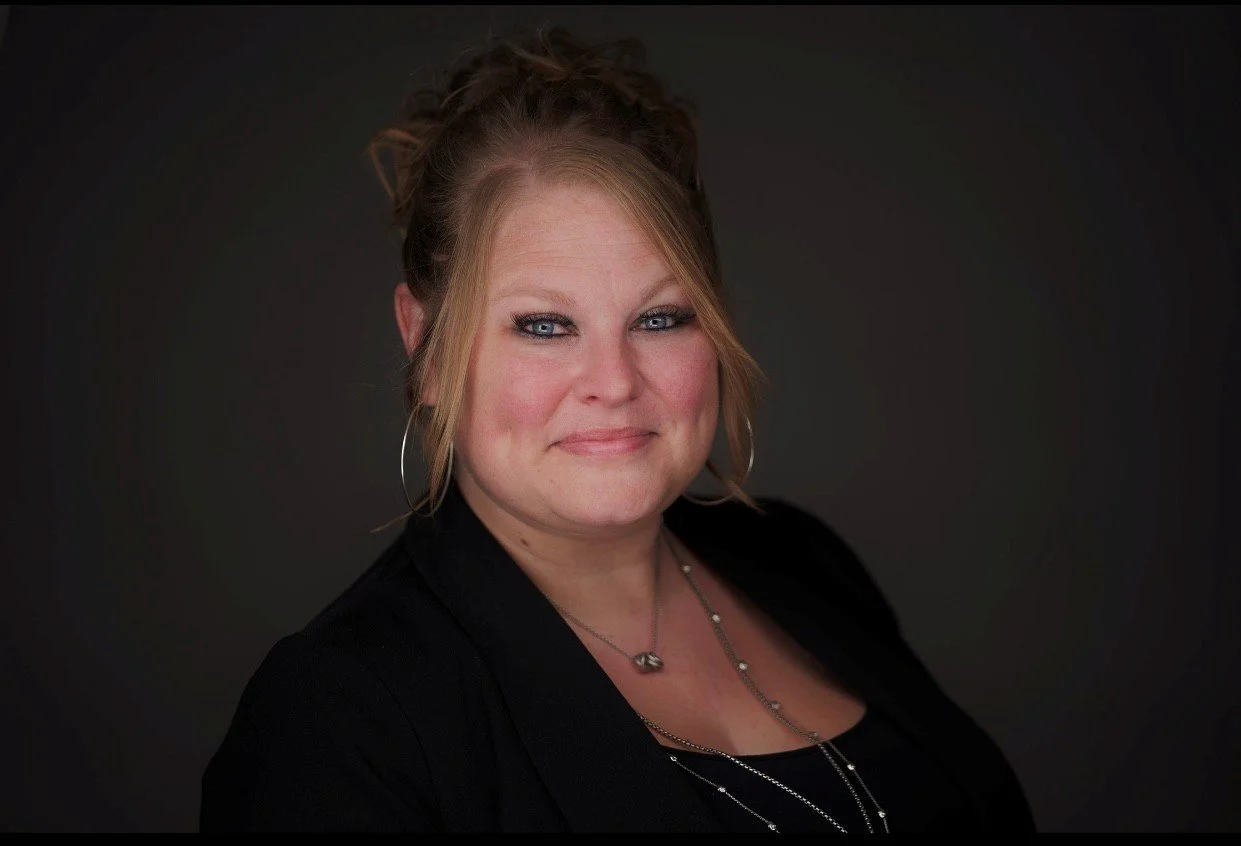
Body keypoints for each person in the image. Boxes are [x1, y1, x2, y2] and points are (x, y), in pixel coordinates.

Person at [199, 26, 1035, 833]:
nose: (613, 382)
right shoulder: (338, 716)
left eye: (661, 318)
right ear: (423, 341)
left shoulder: (801, 562)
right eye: (543, 326)